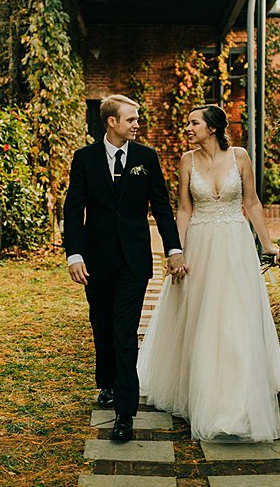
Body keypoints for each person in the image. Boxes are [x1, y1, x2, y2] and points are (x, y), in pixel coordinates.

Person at [137, 104, 280, 442]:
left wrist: (267, 244)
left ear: (211, 128)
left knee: (235, 317)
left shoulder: (239, 157)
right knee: (200, 314)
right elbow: (184, 208)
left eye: (194, 123)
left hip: (234, 244)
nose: (188, 128)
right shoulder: (187, 160)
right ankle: (199, 385)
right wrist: (176, 251)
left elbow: (252, 202)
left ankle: (234, 398)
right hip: (200, 244)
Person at [64, 94, 186, 442]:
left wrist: (173, 248)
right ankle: (107, 383)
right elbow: (73, 209)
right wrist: (75, 255)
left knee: (124, 332)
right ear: (111, 122)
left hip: (134, 261)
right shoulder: (84, 159)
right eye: (131, 119)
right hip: (96, 261)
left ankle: (124, 414)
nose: (137, 124)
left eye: (137, 119)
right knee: (101, 325)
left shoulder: (146, 158)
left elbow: (161, 207)